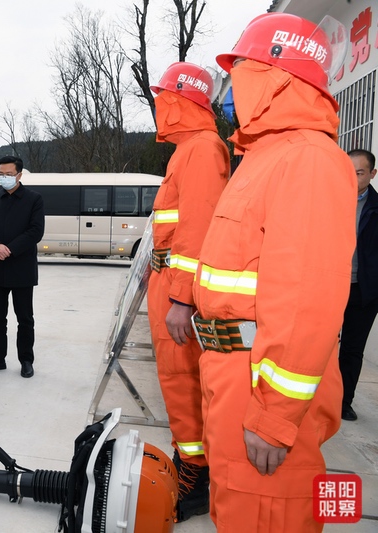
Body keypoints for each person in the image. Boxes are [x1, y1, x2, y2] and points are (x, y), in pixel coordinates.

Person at [192, 13, 354, 532]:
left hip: (260, 391)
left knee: (266, 516)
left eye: (240, 66)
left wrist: (276, 415)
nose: (231, 80)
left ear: (277, 75)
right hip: (230, 376)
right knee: (235, 511)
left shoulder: (308, 158)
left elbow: (306, 299)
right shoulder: (263, 157)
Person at [147, 62, 230, 521]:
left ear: (180, 101)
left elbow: (197, 230)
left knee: (182, 383)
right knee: (176, 383)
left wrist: (181, 299)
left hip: (180, 292)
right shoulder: (190, 150)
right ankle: (190, 459)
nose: (158, 106)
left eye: (163, 98)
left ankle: (195, 475)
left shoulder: (201, 150)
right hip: (168, 282)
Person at [0, 156, 44, 378]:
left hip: (22, 267)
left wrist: (10, 249)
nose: (3, 178)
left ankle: (26, 360)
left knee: (24, 318)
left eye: (8, 174)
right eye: (0, 174)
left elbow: (35, 231)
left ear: (19, 175)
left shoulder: (34, 199)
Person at [339, 149, 378, 422]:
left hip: (362, 291)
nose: (352, 177)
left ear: (372, 174)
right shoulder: (330, 199)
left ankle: (344, 402)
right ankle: (316, 398)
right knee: (321, 345)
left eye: (359, 172)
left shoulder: (376, 209)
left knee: (352, 349)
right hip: (330, 286)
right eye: (348, 170)